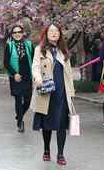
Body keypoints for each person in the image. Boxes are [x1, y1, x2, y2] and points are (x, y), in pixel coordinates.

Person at [31, 23, 76, 167]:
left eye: (56, 31)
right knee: (47, 124)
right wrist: (37, 77)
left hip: (62, 92)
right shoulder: (40, 49)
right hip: (47, 92)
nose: (54, 33)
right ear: (46, 33)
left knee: (62, 124)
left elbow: (68, 73)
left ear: (60, 34)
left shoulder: (64, 51)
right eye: (51, 31)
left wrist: (71, 92)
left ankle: (61, 154)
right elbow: (35, 66)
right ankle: (46, 149)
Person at [5, 24, 34, 132]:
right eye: (15, 33)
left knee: (28, 99)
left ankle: (19, 114)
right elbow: (6, 63)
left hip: (27, 76)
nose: (17, 34)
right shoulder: (10, 45)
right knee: (18, 99)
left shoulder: (29, 45)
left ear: (23, 34)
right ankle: (20, 122)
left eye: (19, 32)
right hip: (15, 77)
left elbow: (34, 60)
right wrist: (14, 74)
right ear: (12, 35)